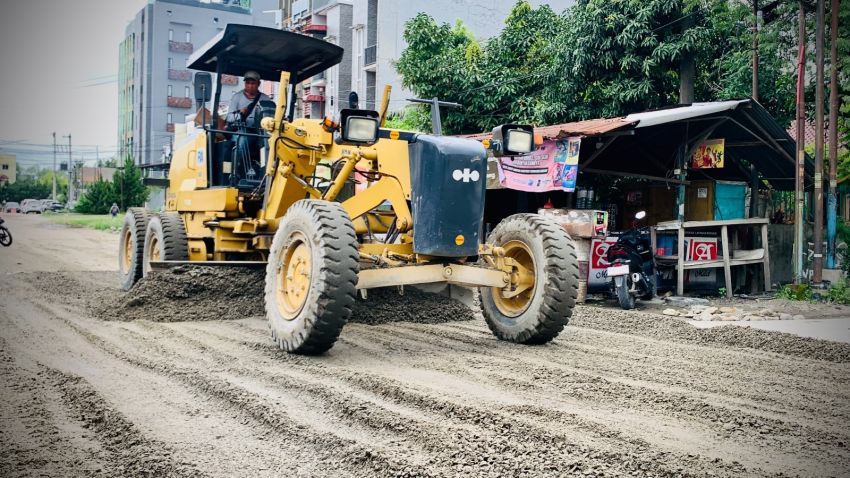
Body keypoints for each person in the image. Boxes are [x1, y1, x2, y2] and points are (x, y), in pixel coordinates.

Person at [226, 71, 271, 180]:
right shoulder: (237, 97)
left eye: (253, 83)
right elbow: (229, 118)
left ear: (258, 84)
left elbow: (272, 114)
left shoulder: (265, 99)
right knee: (241, 142)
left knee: (271, 145)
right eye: (248, 83)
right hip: (243, 131)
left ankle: (267, 175)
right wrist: (240, 113)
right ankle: (235, 173)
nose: (250, 86)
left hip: (261, 133)